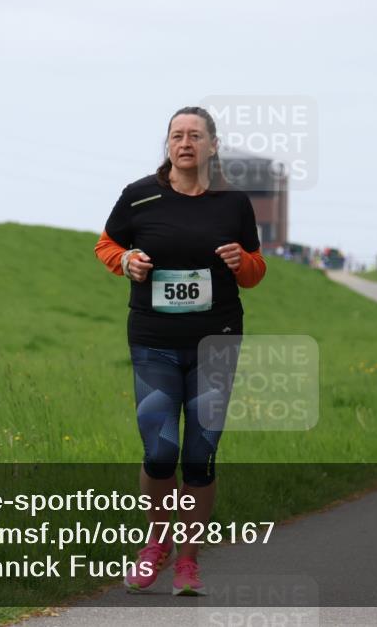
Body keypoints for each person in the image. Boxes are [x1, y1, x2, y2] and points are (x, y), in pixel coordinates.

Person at [94, 106, 266, 595]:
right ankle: (156, 542)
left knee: (199, 457)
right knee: (160, 450)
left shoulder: (233, 204)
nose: (185, 142)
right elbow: (106, 246)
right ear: (167, 144)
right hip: (154, 340)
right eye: (176, 135)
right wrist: (125, 259)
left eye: (195, 135)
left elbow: (255, 272)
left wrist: (242, 261)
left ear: (212, 145)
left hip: (217, 341)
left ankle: (188, 562)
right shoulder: (139, 196)